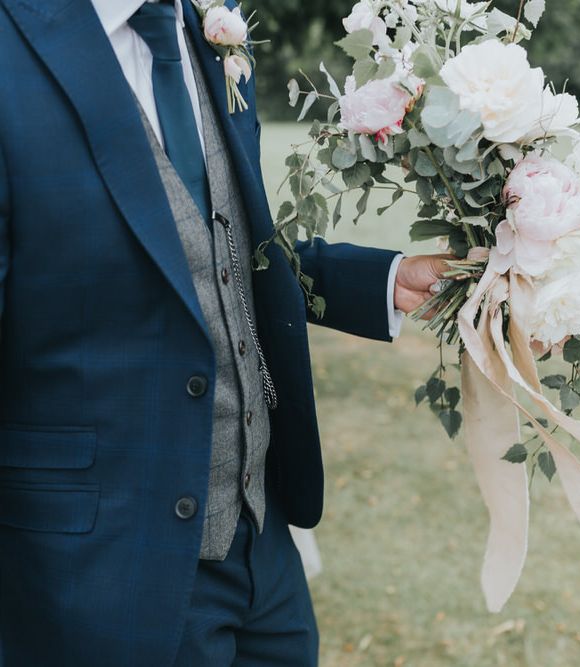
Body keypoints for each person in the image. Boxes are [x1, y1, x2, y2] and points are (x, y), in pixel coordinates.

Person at [0, 0, 448, 664]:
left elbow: (226, 244)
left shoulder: (211, 23)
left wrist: (384, 279)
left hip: (262, 551)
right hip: (96, 571)